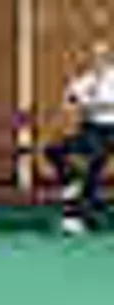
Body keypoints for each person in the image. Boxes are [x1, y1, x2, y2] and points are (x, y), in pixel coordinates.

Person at [47, 39, 114, 237]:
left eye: (103, 56)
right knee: (53, 150)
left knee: (95, 157)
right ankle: (72, 182)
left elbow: (105, 106)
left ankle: (78, 212)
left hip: (110, 131)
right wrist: (72, 101)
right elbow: (69, 100)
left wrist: (92, 105)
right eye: (95, 56)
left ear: (108, 57)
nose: (98, 60)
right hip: (89, 129)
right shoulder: (84, 80)